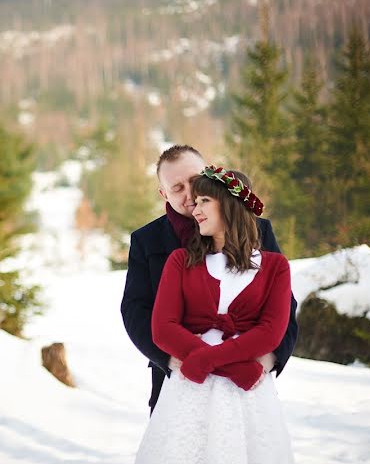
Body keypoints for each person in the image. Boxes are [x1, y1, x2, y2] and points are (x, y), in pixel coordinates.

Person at [123, 165, 305, 464]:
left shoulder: (275, 265)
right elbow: (162, 328)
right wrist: (233, 367)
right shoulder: (180, 260)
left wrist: (216, 362)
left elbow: (272, 330)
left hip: (248, 396)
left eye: (204, 199)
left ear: (230, 204)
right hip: (189, 389)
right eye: (191, 197)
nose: (195, 206)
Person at [120, 145, 298, 413]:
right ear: (163, 194)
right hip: (179, 374)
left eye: (194, 181)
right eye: (177, 188)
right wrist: (169, 358)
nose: (190, 194)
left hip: (247, 375)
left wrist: (271, 357)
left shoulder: (257, 230)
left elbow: (283, 304)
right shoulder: (148, 241)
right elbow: (135, 310)